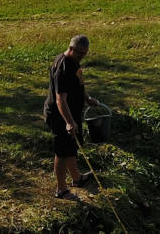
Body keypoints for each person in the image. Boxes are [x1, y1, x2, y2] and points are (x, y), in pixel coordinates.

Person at [43, 35, 98, 200]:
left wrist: (87, 98)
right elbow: (60, 99)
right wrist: (69, 122)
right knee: (62, 152)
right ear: (71, 48)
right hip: (59, 116)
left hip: (71, 113)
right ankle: (61, 190)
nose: (82, 56)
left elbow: (78, 83)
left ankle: (77, 178)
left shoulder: (73, 61)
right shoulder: (63, 67)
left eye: (85, 54)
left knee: (71, 147)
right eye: (80, 53)